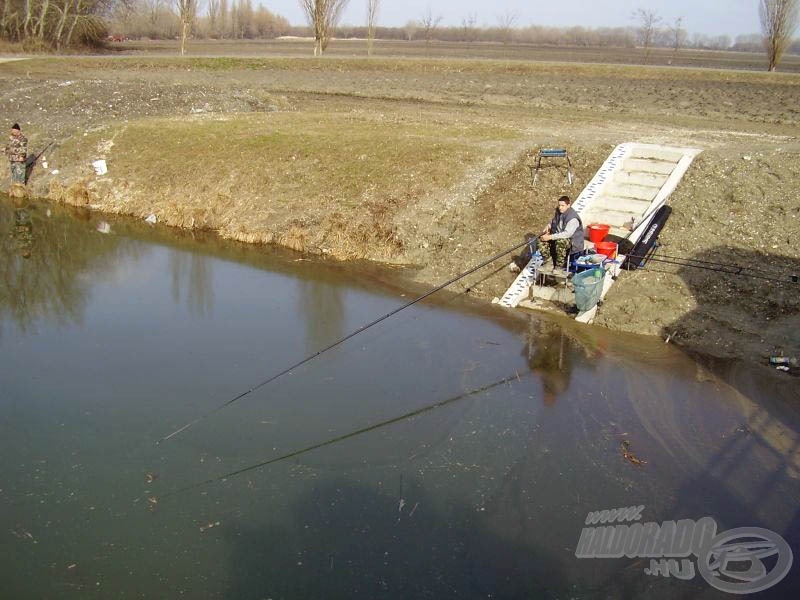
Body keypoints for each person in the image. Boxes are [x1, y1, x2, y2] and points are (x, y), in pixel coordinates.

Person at [508, 195, 585, 273]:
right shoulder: (559, 212)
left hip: (572, 243)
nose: (560, 207)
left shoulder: (573, 218)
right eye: (559, 205)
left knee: (560, 242)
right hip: (557, 237)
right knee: (541, 240)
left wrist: (550, 237)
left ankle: (559, 266)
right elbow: (554, 221)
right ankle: (548, 262)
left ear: (568, 205)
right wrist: (549, 226)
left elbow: (567, 234)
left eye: (563, 205)